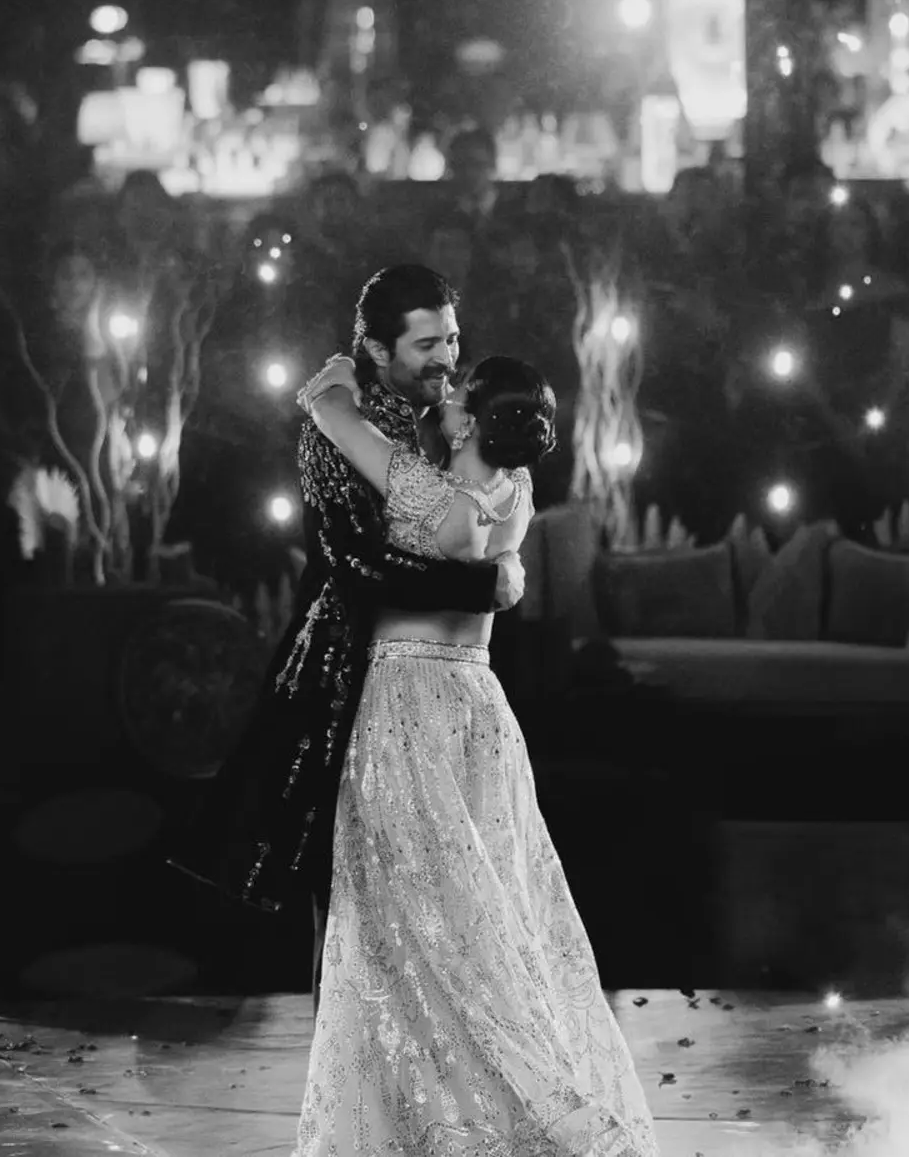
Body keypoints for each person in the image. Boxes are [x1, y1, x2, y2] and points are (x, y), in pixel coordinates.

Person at [291, 351, 659, 1157]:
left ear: (469, 418)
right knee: (479, 913)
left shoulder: (442, 502)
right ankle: (445, 1111)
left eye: (457, 393)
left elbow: (341, 425)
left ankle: (450, 1120)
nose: (444, 392)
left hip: (408, 712)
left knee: (418, 919)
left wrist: (337, 394)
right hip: (480, 712)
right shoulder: (515, 495)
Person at [196, 265, 507, 1002]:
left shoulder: (449, 420)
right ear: (373, 347)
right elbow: (358, 566)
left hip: (445, 680)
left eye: (453, 339)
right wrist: (486, 584)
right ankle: (351, 1089)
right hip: (347, 680)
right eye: (428, 342)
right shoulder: (332, 429)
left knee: (449, 893)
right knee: (353, 893)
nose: (447, 358)